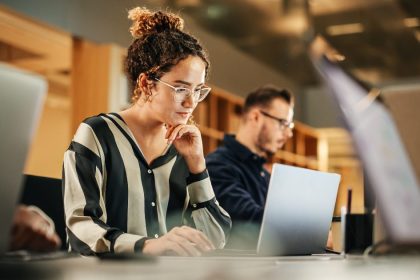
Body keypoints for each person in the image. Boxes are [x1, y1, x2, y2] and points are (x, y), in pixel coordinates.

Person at [62, 7, 231, 257]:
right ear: (145, 84)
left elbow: (216, 240)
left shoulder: (183, 148)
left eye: (198, 91)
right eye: (181, 89)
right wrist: (147, 246)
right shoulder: (97, 134)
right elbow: (81, 230)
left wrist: (197, 165)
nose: (191, 102)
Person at [206, 85, 294, 249]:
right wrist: (304, 230)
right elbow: (248, 219)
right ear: (255, 117)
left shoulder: (264, 174)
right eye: (283, 123)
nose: (288, 134)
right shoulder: (216, 165)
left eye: (290, 126)